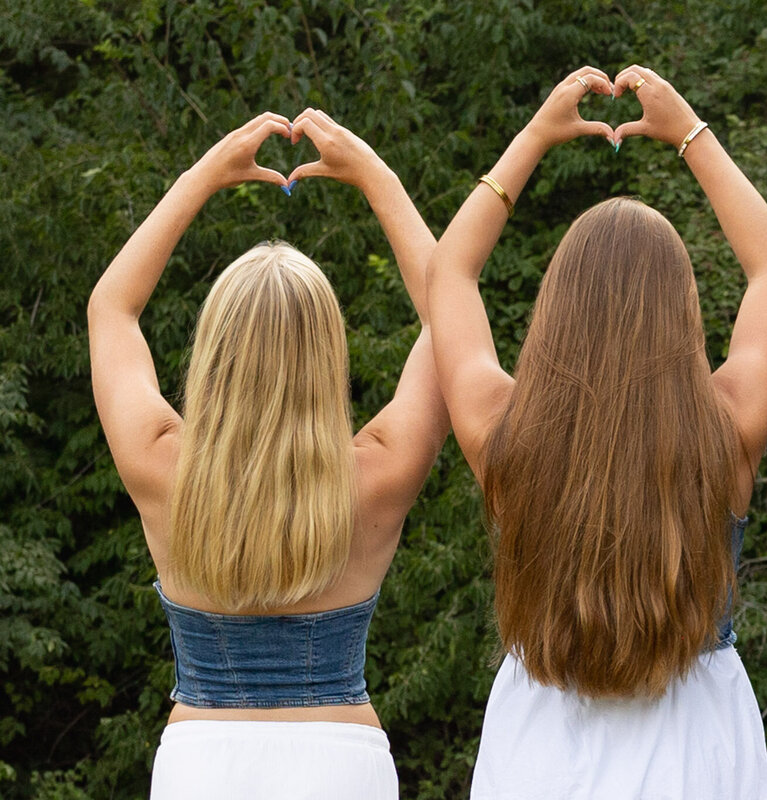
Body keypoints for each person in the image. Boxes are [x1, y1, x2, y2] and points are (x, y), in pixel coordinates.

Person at [425, 65, 767, 799]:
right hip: (698, 747)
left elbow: (451, 273)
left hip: (538, 747)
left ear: (553, 314)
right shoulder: (726, 436)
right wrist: (688, 132)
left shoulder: (507, 437)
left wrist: (534, 136)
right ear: (683, 313)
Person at [88, 110, 448, 798]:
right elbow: (448, 314)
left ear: (213, 354)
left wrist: (203, 176)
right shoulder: (379, 472)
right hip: (343, 766)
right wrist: (376, 177)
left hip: (202, 764)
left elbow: (112, 308)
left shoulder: (160, 464)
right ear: (327, 357)